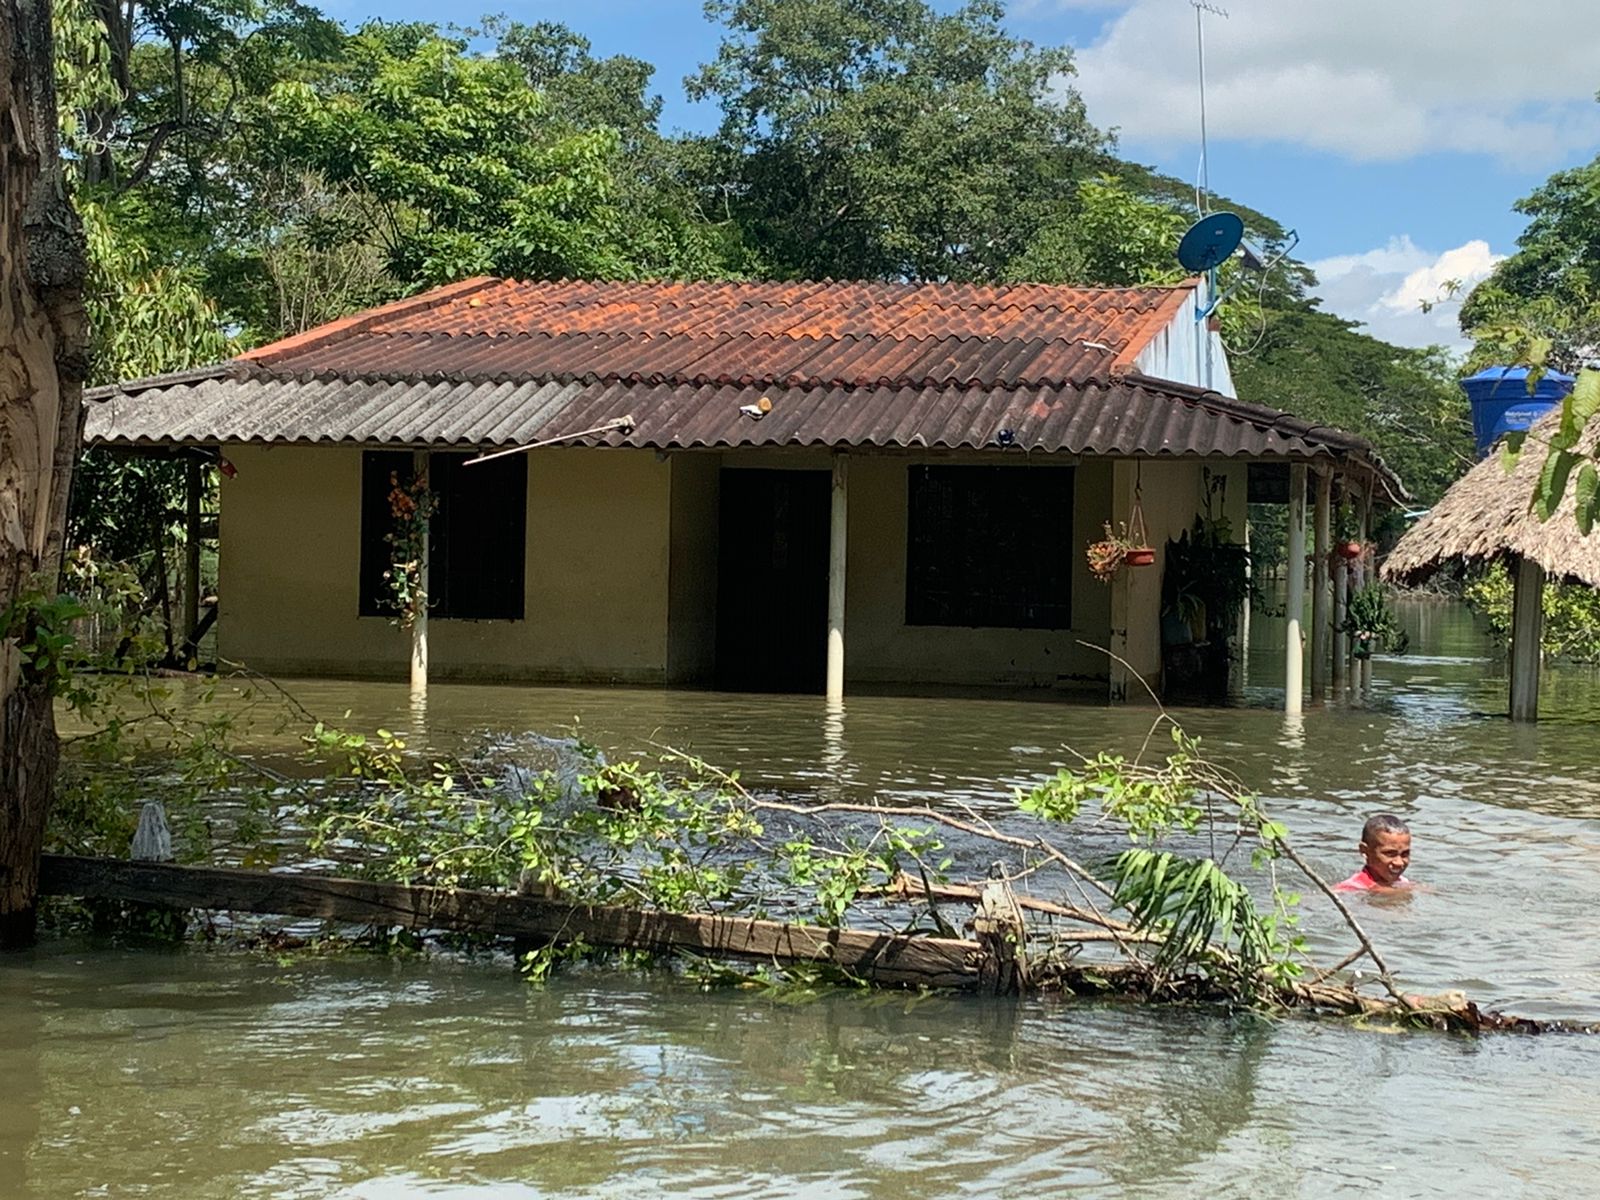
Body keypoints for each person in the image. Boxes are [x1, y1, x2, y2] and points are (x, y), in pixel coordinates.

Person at [1333, 813, 1413, 892]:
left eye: (1405, 854)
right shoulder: (1350, 889)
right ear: (1364, 850)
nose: (1399, 863)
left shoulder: (1402, 882)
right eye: (1389, 854)